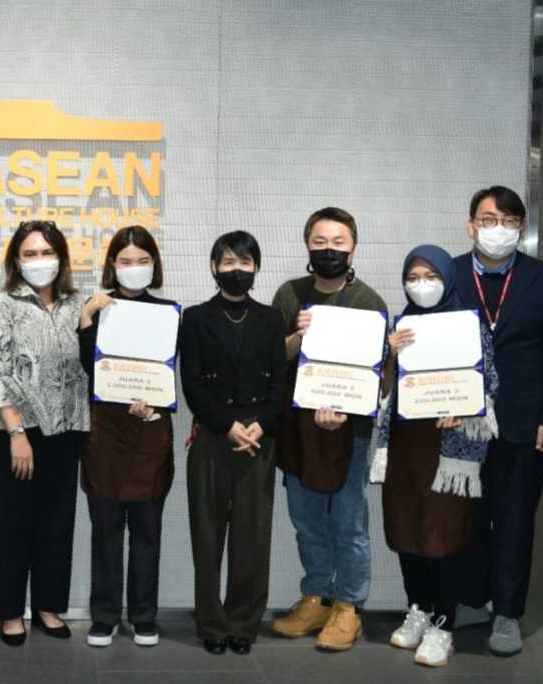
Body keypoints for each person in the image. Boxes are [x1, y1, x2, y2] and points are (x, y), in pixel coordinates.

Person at [452, 185, 543, 657]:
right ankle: (471, 599)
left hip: (525, 419)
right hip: (464, 420)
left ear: (521, 228)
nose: (496, 229)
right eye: (487, 219)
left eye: (507, 221)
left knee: (516, 518)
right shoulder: (452, 272)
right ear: (470, 225)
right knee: (470, 517)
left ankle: (507, 612)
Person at [371, 244, 498, 668]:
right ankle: (418, 611)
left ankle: (444, 626)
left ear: (448, 279)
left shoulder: (470, 324)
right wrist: (389, 355)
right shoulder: (401, 324)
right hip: (406, 444)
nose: (421, 285)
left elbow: (489, 383)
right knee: (408, 532)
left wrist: (463, 407)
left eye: (431, 276)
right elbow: (384, 391)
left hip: (448, 449)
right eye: (413, 277)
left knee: (441, 536)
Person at [270, 207, 386, 652]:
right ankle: (316, 597)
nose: (329, 251)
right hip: (298, 429)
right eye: (320, 242)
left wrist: (345, 408)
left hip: (348, 432)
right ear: (307, 246)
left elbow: (376, 376)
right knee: (306, 521)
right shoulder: (289, 295)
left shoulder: (369, 302)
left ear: (353, 246)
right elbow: (271, 364)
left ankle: (349, 607)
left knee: (349, 523)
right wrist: (297, 336)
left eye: (338, 243)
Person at [0, 220, 89, 646]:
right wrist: (16, 431)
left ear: (60, 258)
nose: (39, 261)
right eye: (30, 253)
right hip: (17, 431)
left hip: (65, 428)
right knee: (13, 522)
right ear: (15, 260)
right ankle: (9, 611)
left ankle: (47, 605)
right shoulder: (3, 303)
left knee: (57, 522)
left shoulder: (73, 303)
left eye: (46, 252)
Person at [181, 230, 286, 656]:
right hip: (213, 434)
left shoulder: (271, 319)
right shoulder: (195, 317)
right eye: (228, 262)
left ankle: (243, 623)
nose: (236, 270)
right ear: (213, 268)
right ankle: (211, 624)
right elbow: (192, 384)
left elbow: (281, 383)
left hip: (259, 438)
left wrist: (260, 424)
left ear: (256, 268)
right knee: (207, 535)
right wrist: (227, 425)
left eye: (245, 263)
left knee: (252, 536)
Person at [77, 226, 176, 648]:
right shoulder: (96, 309)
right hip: (105, 432)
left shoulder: (169, 311)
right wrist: (85, 319)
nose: (133, 269)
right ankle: (104, 615)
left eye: (142, 261)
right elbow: (88, 369)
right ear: (111, 266)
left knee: (148, 530)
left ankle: (143, 616)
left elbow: (171, 374)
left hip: (149, 432)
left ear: (153, 266)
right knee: (105, 528)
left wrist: (154, 402)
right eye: (125, 261)